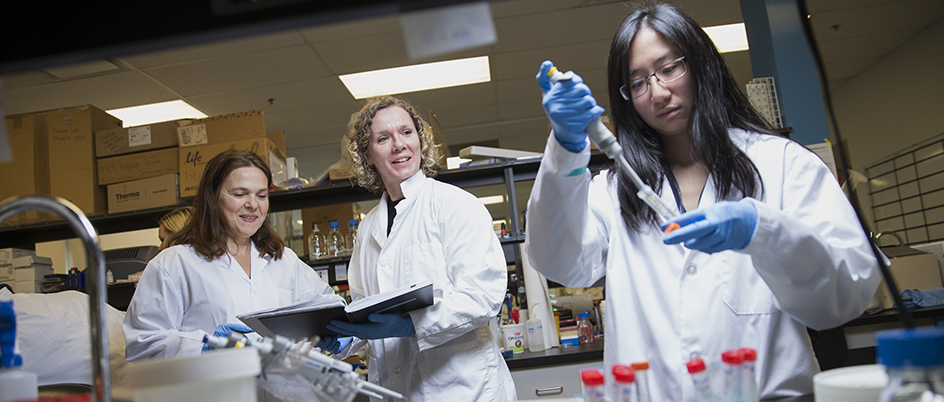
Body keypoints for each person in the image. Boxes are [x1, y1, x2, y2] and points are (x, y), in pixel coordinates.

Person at [525, 3, 881, 401]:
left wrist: (765, 233)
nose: (658, 92)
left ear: (700, 64)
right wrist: (565, 148)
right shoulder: (614, 189)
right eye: (638, 82)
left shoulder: (782, 164)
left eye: (669, 68)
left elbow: (843, 298)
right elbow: (559, 260)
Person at [325, 96, 516, 401]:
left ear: (420, 140)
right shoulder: (368, 227)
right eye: (383, 138)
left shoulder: (454, 204)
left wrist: (410, 325)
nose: (398, 144)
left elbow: (482, 294)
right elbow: (363, 306)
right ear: (367, 155)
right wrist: (343, 336)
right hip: (394, 388)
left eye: (406, 132)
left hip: (463, 389)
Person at [123, 150, 336, 360]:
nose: (253, 204)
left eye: (261, 195)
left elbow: (328, 307)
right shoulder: (173, 264)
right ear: (212, 198)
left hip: (284, 391)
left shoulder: (283, 259)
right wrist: (205, 346)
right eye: (239, 194)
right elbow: (141, 344)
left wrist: (338, 333)